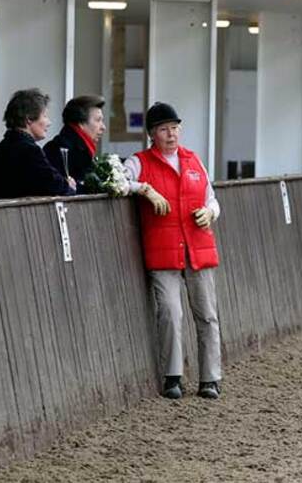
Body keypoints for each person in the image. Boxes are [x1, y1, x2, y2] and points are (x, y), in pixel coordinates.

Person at [123, 102, 222, 400]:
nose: (171, 134)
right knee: (170, 312)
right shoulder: (139, 162)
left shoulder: (194, 161)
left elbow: (212, 198)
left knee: (206, 314)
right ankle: (173, 375)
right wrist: (144, 189)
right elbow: (119, 182)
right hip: (163, 250)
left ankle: (211, 378)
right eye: (165, 129)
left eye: (175, 128)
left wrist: (210, 213)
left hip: (197, 247)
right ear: (152, 133)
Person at [0, 88, 75, 199]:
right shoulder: (29, 150)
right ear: (29, 118)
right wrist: (69, 186)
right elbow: (55, 186)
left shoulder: (1, 148)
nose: (49, 122)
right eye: (45, 116)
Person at [44, 95, 106, 193]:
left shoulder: (81, 149)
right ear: (81, 123)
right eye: (98, 120)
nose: (103, 127)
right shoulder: (60, 149)